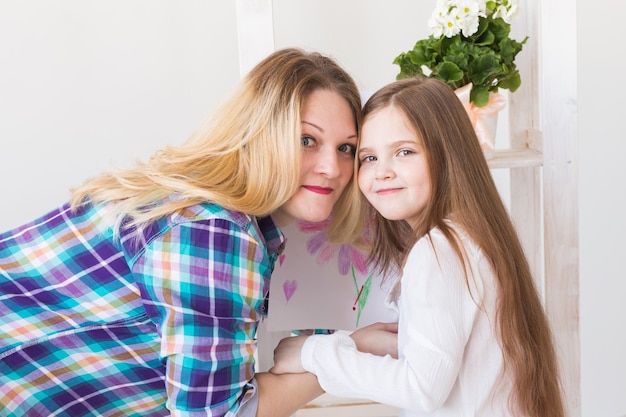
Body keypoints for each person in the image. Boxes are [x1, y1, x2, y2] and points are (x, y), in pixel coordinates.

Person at [0, 47, 363, 417]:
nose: (332, 168)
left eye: (347, 148)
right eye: (307, 140)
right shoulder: (213, 231)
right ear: (258, 134)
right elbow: (215, 414)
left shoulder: (196, 204)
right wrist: (352, 356)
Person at [271, 77, 566, 417]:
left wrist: (311, 353)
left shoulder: (439, 250)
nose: (382, 172)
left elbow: (420, 389)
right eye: (368, 158)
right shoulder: (472, 236)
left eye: (404, 152)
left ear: (447, 154)